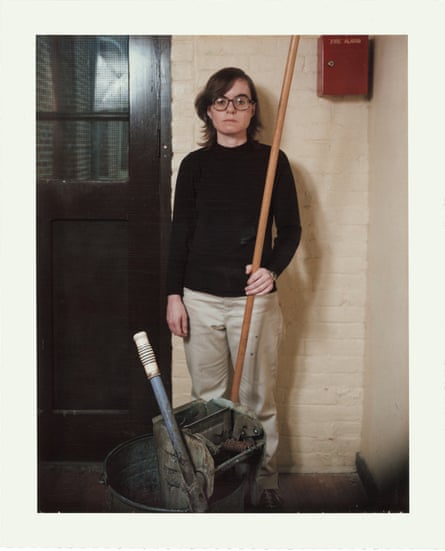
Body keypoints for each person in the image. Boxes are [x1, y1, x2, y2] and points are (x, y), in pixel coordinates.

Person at [166, 67, 301, 510]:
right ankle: (211, 484)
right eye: (222, 101)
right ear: (208, 109)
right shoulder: (194, 165)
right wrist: (173, 295)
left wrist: (272, 271)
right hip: (200, 298)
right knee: (208, 400)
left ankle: (263, 484)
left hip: (254, 300)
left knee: (258, 398)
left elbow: (292, 230)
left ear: (253, 109)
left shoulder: (272, 160)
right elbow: (179, 232)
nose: (231, 109)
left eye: (241, 100)